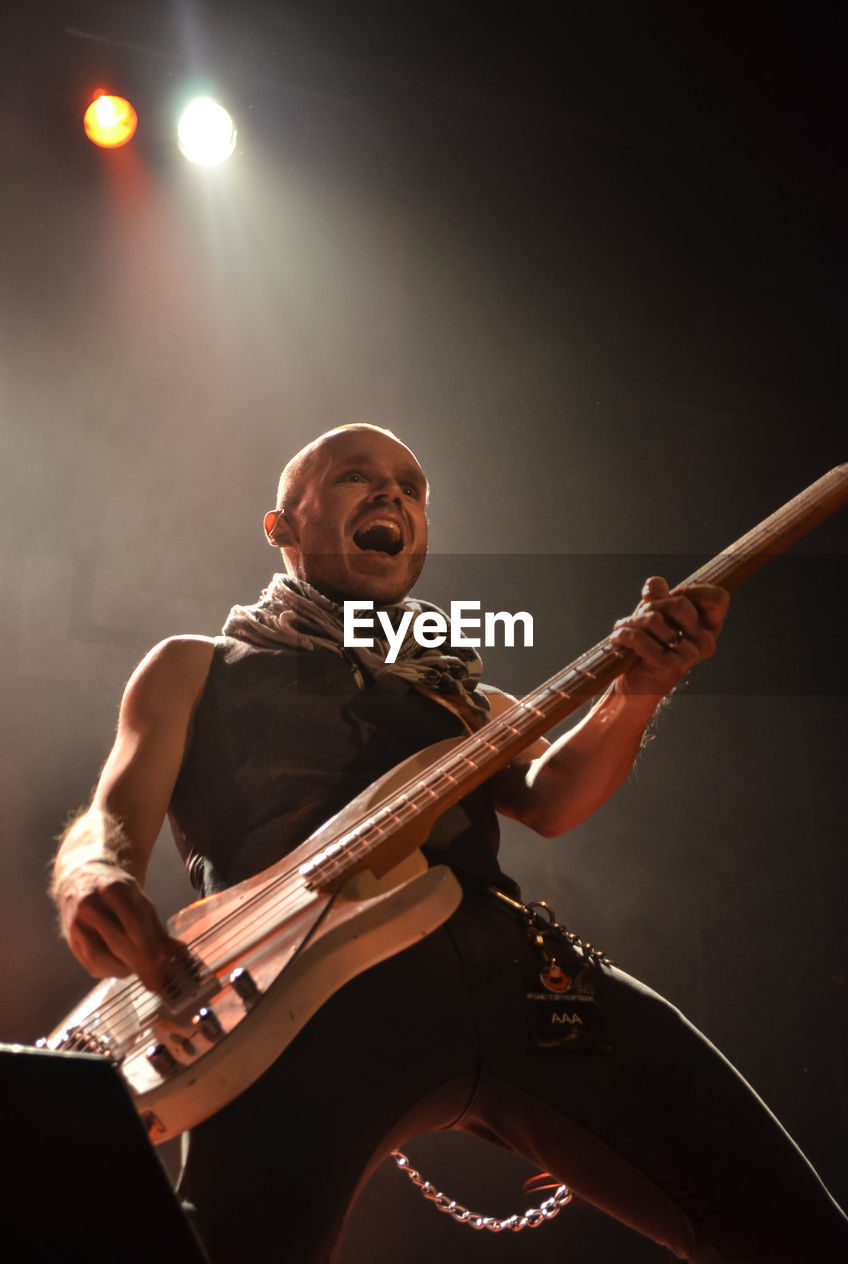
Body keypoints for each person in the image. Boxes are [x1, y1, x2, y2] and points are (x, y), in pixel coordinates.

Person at [51, 424, 848, 1263]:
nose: (392, 494)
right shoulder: (195, 667)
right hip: (291, 1006)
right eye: (357, 477)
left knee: (796, 1234)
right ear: (281, 525)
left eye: (412, 486)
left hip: (518, 979)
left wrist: (640, 687)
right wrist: (92, 874)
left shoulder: (468, 698)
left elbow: (553, 800)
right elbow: (110, 815)